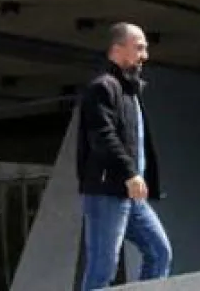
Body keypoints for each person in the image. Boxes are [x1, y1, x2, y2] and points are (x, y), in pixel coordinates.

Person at [76, 22, 172, 290]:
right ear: (117, 50)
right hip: (107, 192)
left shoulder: (130, 92)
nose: (145, 56)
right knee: (102, 268)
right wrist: (130, 173)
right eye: (139, 48)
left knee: (159, 252)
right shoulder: (103, 89)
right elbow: (102, 137)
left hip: (131, 196)